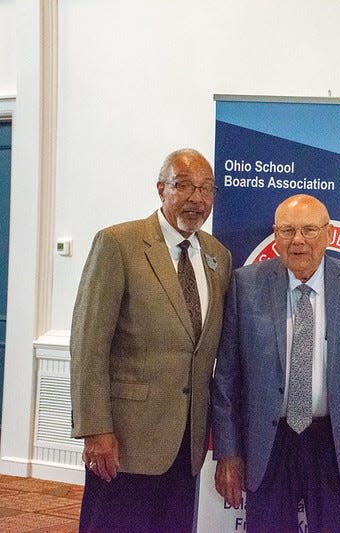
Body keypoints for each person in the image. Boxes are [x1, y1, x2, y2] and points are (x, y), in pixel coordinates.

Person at [70, 148, 231, 532]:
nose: (197, 198)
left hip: (186, 442)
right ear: (161, 189)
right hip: (125, 441)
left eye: (206, 189)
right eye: (185, 186)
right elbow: (88, 344)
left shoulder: (217, 256)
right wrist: (95, 429)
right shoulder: (118, 244)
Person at [212, 194, 340, 533]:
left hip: (337, 446)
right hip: (267, 444)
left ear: (329, 234)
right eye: (287, 230)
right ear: (275, 235)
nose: (298, 240)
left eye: (309, 229)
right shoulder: (245, 284)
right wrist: (228, 452)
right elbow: (226, 378)